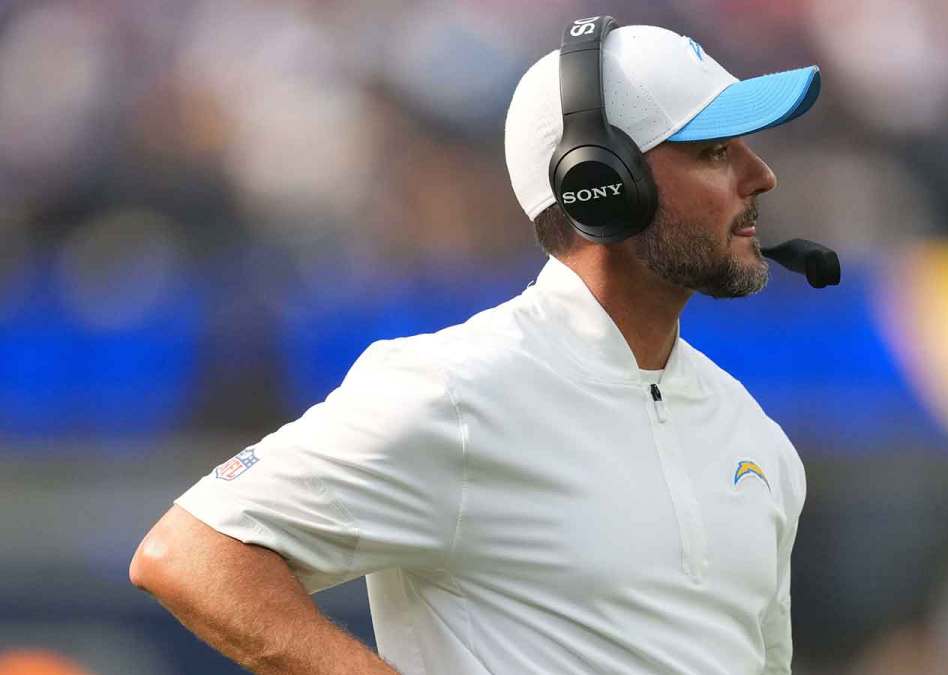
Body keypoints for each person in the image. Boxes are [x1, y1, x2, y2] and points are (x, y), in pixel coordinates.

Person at [130, 19, 821, 675]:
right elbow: (191, 551)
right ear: (603, 185)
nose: (761, 176)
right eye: (715, 151)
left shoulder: (756, 437)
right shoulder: (456, 389)